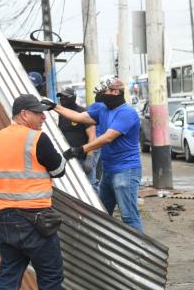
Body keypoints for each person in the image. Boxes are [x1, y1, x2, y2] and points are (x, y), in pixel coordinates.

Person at [0, 93, 65, 290]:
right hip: (35, 219)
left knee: (9, 274)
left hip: (3, 218)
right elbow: (58, 170)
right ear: (24, 114)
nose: (43, 118)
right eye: (38, 113)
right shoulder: (37, 138)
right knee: (50, 274)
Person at [42, 78, 143, 232]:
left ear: (115, 92)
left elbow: (108, 137)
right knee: (101, 215)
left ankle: (140, 254)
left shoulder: (127, 113)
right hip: (109, 171)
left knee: (129, 217)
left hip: (126, 170)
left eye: (105, 92)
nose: (102, 95)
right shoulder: (103, 110)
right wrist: (55, 106)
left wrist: (81, 150)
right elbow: (79, 117)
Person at [57, 87, 97, 191]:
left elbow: (92, 136)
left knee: (90, 187)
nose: (61, 99)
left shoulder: (83, 113)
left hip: (82, 158)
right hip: (68, 158)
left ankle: (97, 207)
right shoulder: (62, 114)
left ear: (72, 97)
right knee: (73, 189)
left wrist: (89, 158)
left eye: (64, 97)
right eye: (60, 97)